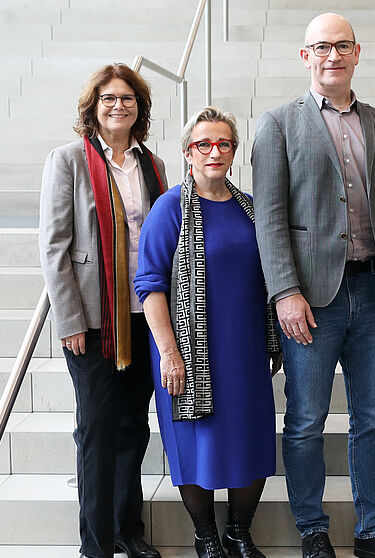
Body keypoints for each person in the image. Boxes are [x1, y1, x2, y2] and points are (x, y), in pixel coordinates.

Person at [251, 12, 375, 558]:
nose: (333, 55)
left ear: (357, 52)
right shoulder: (278, 124)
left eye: (342, 45)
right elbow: (269, 219)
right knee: (306, 420)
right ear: (305, 56)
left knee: (374, 417)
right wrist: (284, 292)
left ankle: (373, 529)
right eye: (322, 46)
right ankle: (312, 529)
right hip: (311, 299)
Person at [134, 106, 281, 558]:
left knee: (250, 439)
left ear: (233, 151)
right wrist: (168, 352)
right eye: (204, 144)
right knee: (197, 445)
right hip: (189, 352)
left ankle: (239, 533)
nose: (214, 152)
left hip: (245, 350)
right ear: (188, 152)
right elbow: (149, 285)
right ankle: (206, 537)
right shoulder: (169, 208)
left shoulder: (251, 208)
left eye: (223, 144)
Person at [39, 63, 167, 558]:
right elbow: (55, 247)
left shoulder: (152, 164)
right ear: (93, 107)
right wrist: (69, 320)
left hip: (144, 316)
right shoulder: (68, 160)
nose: (118, 106)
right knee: (97, 429)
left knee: (134, 426)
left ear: (140, 108)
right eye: (108, 98)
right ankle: (95, 545)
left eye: (127, 99)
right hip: (93, 323)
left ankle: (127, 530)